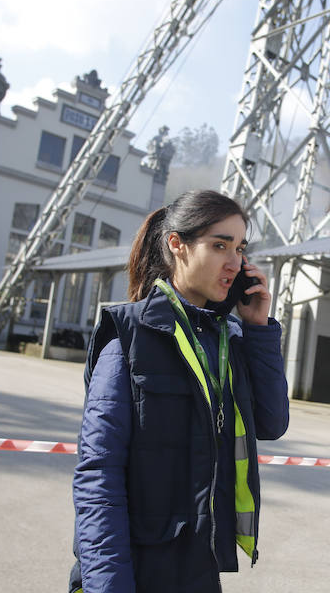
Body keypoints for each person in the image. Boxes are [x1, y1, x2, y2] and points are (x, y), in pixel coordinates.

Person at [70, 190, 290, 593]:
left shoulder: (229, 341)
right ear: (177, 245)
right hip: (133, 572)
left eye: (240, 248)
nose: (234, 263)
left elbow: (272, 422)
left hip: (198, 571)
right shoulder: (128, 340)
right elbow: (98, 477)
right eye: (219, 245)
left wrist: (259, 330)